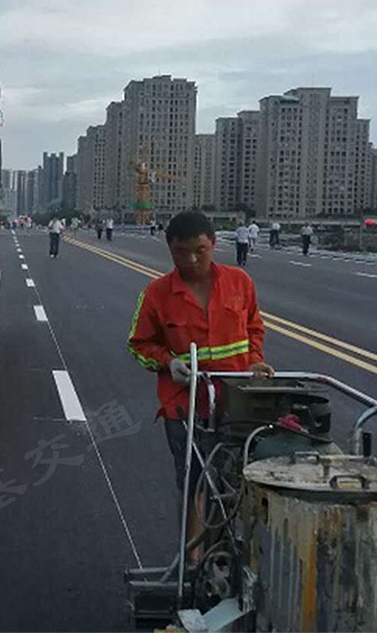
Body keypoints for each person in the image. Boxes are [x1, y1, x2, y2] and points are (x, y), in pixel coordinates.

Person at [127, 210, 273, 552]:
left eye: (200, 250)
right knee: (193, 482)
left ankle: (222, 555)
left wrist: (254, 362)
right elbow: (138, 345)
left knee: (230, 482)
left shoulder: (239, 283)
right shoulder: (157, 294)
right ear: (169, 249)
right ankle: (192, 560)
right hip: (184, 405)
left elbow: (254, 327)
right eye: (181, 252)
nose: (191, 259)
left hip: (235, 402)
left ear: (213, 244)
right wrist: (169, 362)